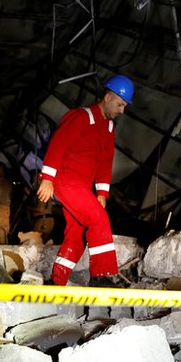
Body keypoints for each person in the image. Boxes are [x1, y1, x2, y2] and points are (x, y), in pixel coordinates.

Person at [37, 74, 134, 286]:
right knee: (98, 219)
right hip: (66, 181)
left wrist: (102, 193)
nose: (122, 111)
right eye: (120, 104)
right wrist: (47, 178)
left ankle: (57, 281)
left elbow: (105, 162)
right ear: (107, 97)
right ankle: (101, 275)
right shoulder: (81, 116)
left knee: (77, 233)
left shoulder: (109, 128)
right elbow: (58, 145)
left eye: (125, 106)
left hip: (83, 187)